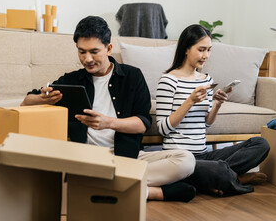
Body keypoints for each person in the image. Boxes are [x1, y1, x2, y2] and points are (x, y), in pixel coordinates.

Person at [21, 16, 196, 202]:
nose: (87, 59)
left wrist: (108, 123)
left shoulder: (132, 76)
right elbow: (26, 101)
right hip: (88, 160)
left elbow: (143, 124)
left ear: (109, 48)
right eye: (81, 52)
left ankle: (106, 188)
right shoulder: (72, 80)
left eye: (94, 52)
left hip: (128, 159)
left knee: (186, 160)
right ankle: (147, 192)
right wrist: (43, 98)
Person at [156, 24, 270, 196]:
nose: (206, 56)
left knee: (261, 144)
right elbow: (163, 128)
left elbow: (207, 124)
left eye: (209, 50)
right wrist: (189, 101)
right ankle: (230, 178)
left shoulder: (206, 80)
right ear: (186, 49)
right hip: (181, 159)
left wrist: (217, 104)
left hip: (204, 156)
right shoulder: (168, 80)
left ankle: (225, 177)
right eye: (201, 50)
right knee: (211, 169)